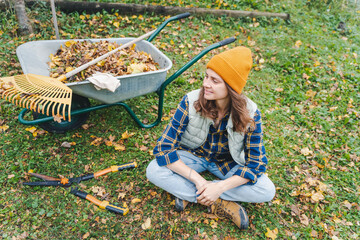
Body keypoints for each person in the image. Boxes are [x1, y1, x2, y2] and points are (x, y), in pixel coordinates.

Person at [146, 46, 276, 230]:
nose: (206, 84)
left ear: (230, 87)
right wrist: (199, 181)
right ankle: (217, 203)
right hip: (193, 156)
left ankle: (193, 194)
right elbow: (164, 148)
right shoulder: (191, 101)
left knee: (266, 190)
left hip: (226, 164)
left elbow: (257, 164)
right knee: (153, 170)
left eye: (215, 80)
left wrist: (220, 187)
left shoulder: (250, 114)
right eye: (206, 76)